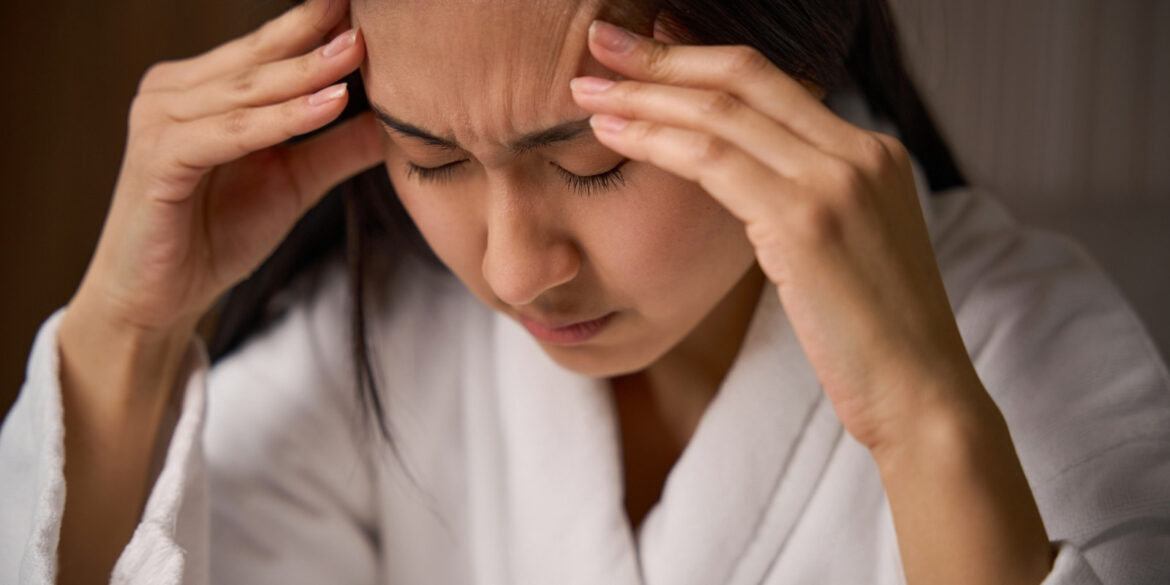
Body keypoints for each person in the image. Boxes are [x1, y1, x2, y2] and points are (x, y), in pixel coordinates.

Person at [2, 0, 1169, 583]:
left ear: (785, 55)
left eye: (591, 160)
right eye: (430, 156)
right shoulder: (393, 344)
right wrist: (129, 329)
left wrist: (925, 422)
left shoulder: (1026, 343)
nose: (513, 271)